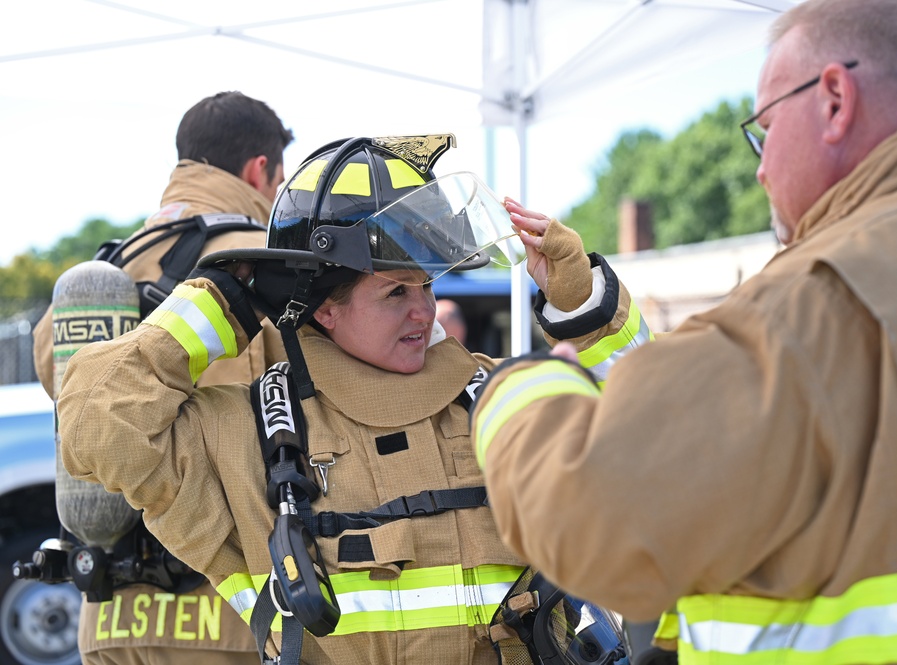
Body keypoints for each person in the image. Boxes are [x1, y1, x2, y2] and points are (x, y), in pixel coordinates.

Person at [467, 0, 897, 663]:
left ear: (833, 98)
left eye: (764, 129)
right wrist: (584, 302)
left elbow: (594, 517)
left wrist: (520, 390)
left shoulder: (820, 297)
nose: (759, 167)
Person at [56, 135, 633, 664]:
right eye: (395, 291)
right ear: (325, 308)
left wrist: (585, 309)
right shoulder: (244, 438)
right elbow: (92, 423)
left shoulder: (495, 397)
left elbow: (662, 440)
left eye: (428, 284)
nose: (424, 311)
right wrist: (225, 305)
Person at [33, 90, 294, 664]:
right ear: (260, 169)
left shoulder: (104, 272)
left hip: (109, 616)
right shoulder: (270, 265)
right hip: (238, 616)